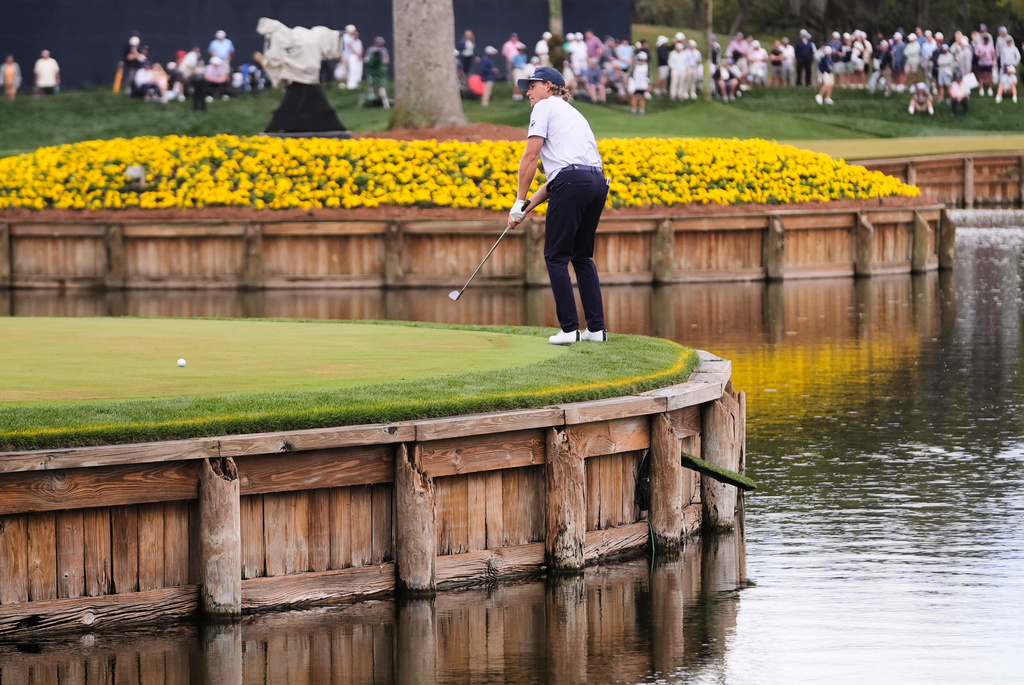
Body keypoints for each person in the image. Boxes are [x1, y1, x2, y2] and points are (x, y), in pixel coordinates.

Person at [508, 66, 608, 345]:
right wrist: (525, 209)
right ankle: (596, 329)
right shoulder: (572, 113)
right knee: (581, 256)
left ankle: (569, 330)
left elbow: (530, 157)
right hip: (597, 182)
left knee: (555, 256)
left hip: (574, 181)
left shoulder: (543, 107)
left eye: (532, 85)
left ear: (549, 86)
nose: (528, 91)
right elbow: (561, 177)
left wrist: (518, 199)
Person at [365, 36, 391, 108]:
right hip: (373, 72)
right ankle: (371, 100)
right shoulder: (370, 50)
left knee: (382, 86)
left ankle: (383, 101)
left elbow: (387, 60)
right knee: (372, 86)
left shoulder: (384, 50)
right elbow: (367, 60)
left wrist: (383, 62)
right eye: (379, 43)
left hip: (381, 72)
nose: (381, 44)